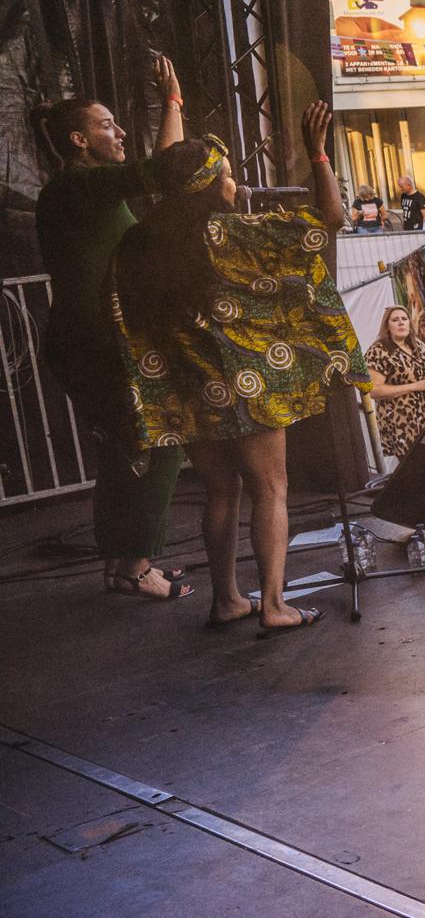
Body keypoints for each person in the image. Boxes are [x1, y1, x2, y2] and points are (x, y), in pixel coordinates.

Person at [110, 104, 367, 634]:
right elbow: (330, 221)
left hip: (189, 389)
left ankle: (226, 599)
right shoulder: (231, 234)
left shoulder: (137, 246)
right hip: (248, 385)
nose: (235, 184)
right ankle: (274, 605)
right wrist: (318, 154)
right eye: (227, 176)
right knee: (270, 489)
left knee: (220, 491)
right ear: (204, 187)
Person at [34, 60, 192, 602]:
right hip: (95, 343)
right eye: (107, 126)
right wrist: (172, 103)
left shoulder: (94, 193)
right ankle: (136, 564)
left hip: (93, 342)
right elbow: (169, 168)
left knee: (127, 449)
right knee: (159, 438)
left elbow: (167, 180)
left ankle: (121, 564)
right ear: (79, 140)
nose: (120, 132)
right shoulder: (77, 187)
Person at [365, 303, 425, 463]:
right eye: (395, 320)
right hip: (404, 424)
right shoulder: (379, 351)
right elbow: (374, 391)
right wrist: (416, 386)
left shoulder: (418, 347)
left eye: (404, 319)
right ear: (387, 326)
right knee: (416, 470)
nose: (401, 322)